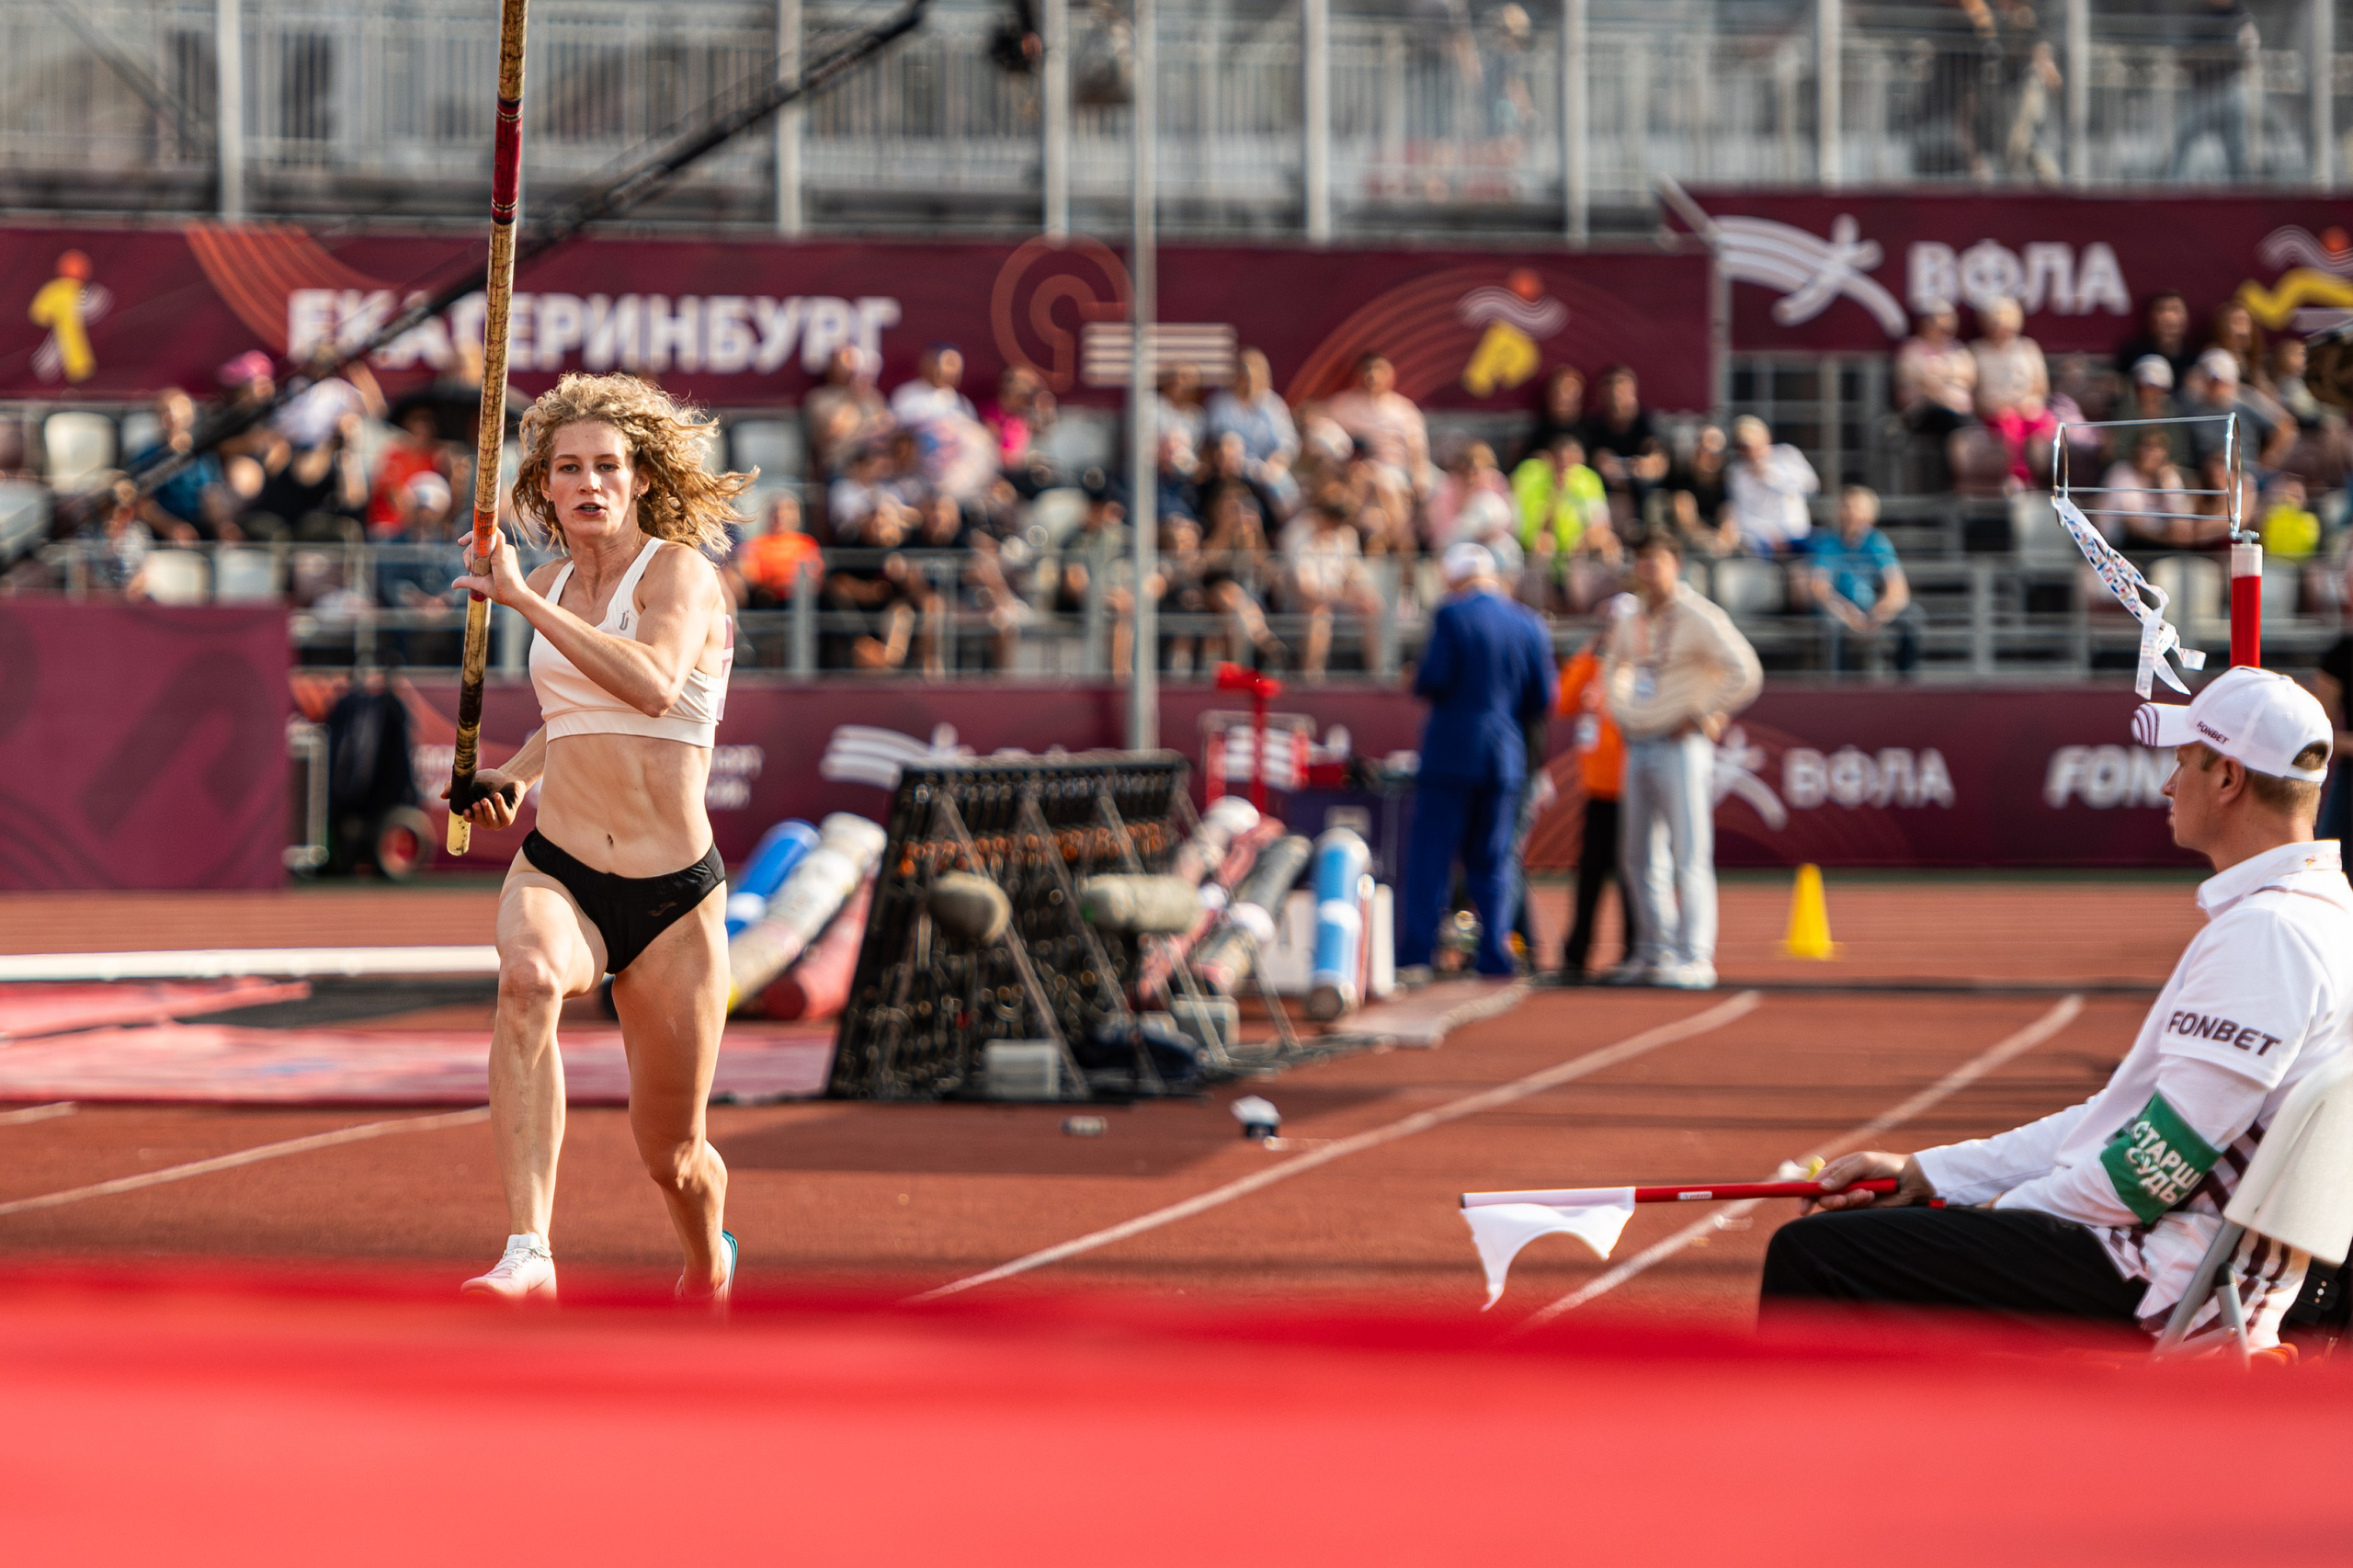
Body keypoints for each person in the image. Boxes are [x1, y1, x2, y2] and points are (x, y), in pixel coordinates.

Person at [1766, 668, 2347, 1349]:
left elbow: (2151, 1170)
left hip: (2174, 1282)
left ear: (2227, 779)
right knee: (1875, 1241)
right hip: (2205, 1264)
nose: (2166, 785)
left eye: (2182, 763)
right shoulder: (2319, 912)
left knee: (1816, 1256)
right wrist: (1931, 1175)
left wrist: (1990, 1214)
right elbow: (2119, 1123)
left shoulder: (2269, 935)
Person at [443, 371, 752, 1306]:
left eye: (608, 465)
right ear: (543, 486)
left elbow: (653, 683)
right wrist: (515, 774)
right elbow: (572, 714)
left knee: (675, 1155)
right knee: (527, 980)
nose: (590, 483)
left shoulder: (679, 574)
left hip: (672, 896)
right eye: (569, 467)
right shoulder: (548, 579)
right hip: (562, 867)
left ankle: (707, 1263)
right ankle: (528, 1246)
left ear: (642, 477)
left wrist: (522, 606)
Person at [1604, 532, 1761, 989]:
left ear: (1675, 564)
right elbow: (1615, 666)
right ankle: (1654, 950)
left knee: (1688, 852)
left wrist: (1703, 712)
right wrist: (1623, 711)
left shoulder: (1698, 616)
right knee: (1637, 855)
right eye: (1641, 560)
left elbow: (1745, 670)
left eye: (1656, 560)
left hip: (1680, 743)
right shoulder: (1631, 617)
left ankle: (1696, 956)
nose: (1648, 569)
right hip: (1640, 739)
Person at [1398, 541, 1557, 981]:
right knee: (1494, 859)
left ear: (1454, 577)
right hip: (1505, 755)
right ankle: (1494, 953)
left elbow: (1433, 677)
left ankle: (1417, 954)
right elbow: (1544, 698)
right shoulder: (1529, 623)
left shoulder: (1452, 614)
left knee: (1432, 856)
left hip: (1452, 751)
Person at [1556, 612, 1632, 980]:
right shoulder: (1596, 667)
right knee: (1589, 874)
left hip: (1631, 789)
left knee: (1634, 875)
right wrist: (1588, 655)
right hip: (1598, 790)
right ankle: (1577, 952)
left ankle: (1637, 950)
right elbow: (1564, 701)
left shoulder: (1638, 666)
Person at [1809, 485, 1919, 676]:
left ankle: (1905, 683)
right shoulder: (1829, 543)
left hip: (1873, 611)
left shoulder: (1877, 542)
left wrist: (1878, 614)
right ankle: (1840, 688)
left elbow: (1898, 589)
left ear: (1870, 515)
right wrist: (1848, 614)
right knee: (1832, 625)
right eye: (1846, 507)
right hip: (1839, 610)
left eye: (1857, 508)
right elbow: (1820, 588)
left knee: (1912, 616)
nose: (1851, 513)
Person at [1970, 297, 2055, 487]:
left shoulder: (2028, 348)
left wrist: (2029, 403)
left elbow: (2041, 387)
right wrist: (1996, 407)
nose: (1999, 325)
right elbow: (1974, 394)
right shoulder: (1976, 351)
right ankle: (2018, 478)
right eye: (1994, 319)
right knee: (2010, 423)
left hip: (2029, 409)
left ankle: (2045, 484)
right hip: (1995, 414)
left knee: (2043, 428)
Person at [1722, 415, 1817, 555]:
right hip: (1761, 543)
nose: (1748, 452)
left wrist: (1769, 475)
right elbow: (1741, 514)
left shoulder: (1787, 454)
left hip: (1797, 536)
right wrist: (1769, 535)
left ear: (1765, 438)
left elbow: (1810, 486)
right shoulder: (1736, 473)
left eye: (1750, 445)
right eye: (1742, 447)